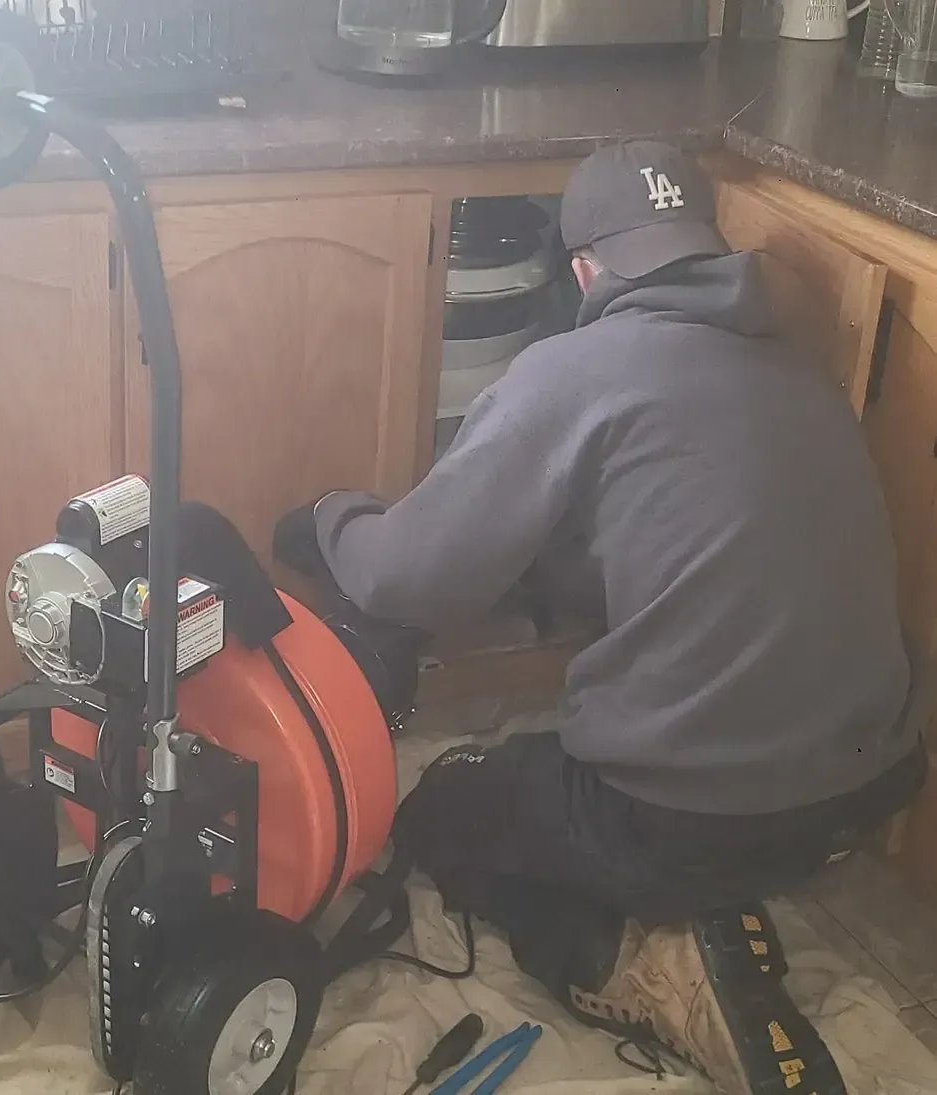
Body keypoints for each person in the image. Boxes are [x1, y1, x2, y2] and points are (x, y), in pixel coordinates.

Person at [272, 141, 929, 1095]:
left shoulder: (573, 370)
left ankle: (640, 963)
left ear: (581, 270)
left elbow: (400, 581)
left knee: (441, 811)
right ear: (705, 247)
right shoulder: (800, 363)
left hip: (692, 821)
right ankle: (712, 902)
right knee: (665, 806)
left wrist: (333, 515)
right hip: (870, 788)